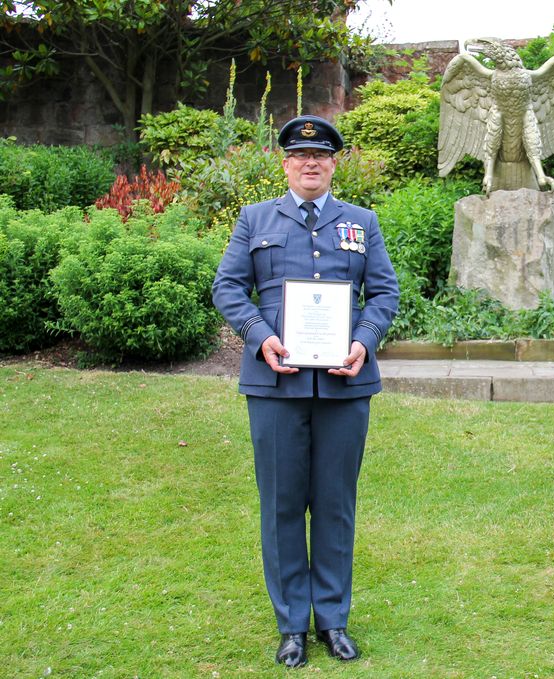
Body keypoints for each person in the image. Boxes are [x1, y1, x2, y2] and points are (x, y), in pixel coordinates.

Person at [212, 115, 399, 667]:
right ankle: (292, 622)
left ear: (333, 163)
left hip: (345, 384)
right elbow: (227, 286)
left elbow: (384, 291)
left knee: (336, 505)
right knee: (283, 506)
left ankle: (333, 620)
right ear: (286, 163)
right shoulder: (255, 219)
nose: (310, 163)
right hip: (275, 384)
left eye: (320, 156)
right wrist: (260, 336)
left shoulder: (360, 221)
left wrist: (364, 340)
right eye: (300, 156)